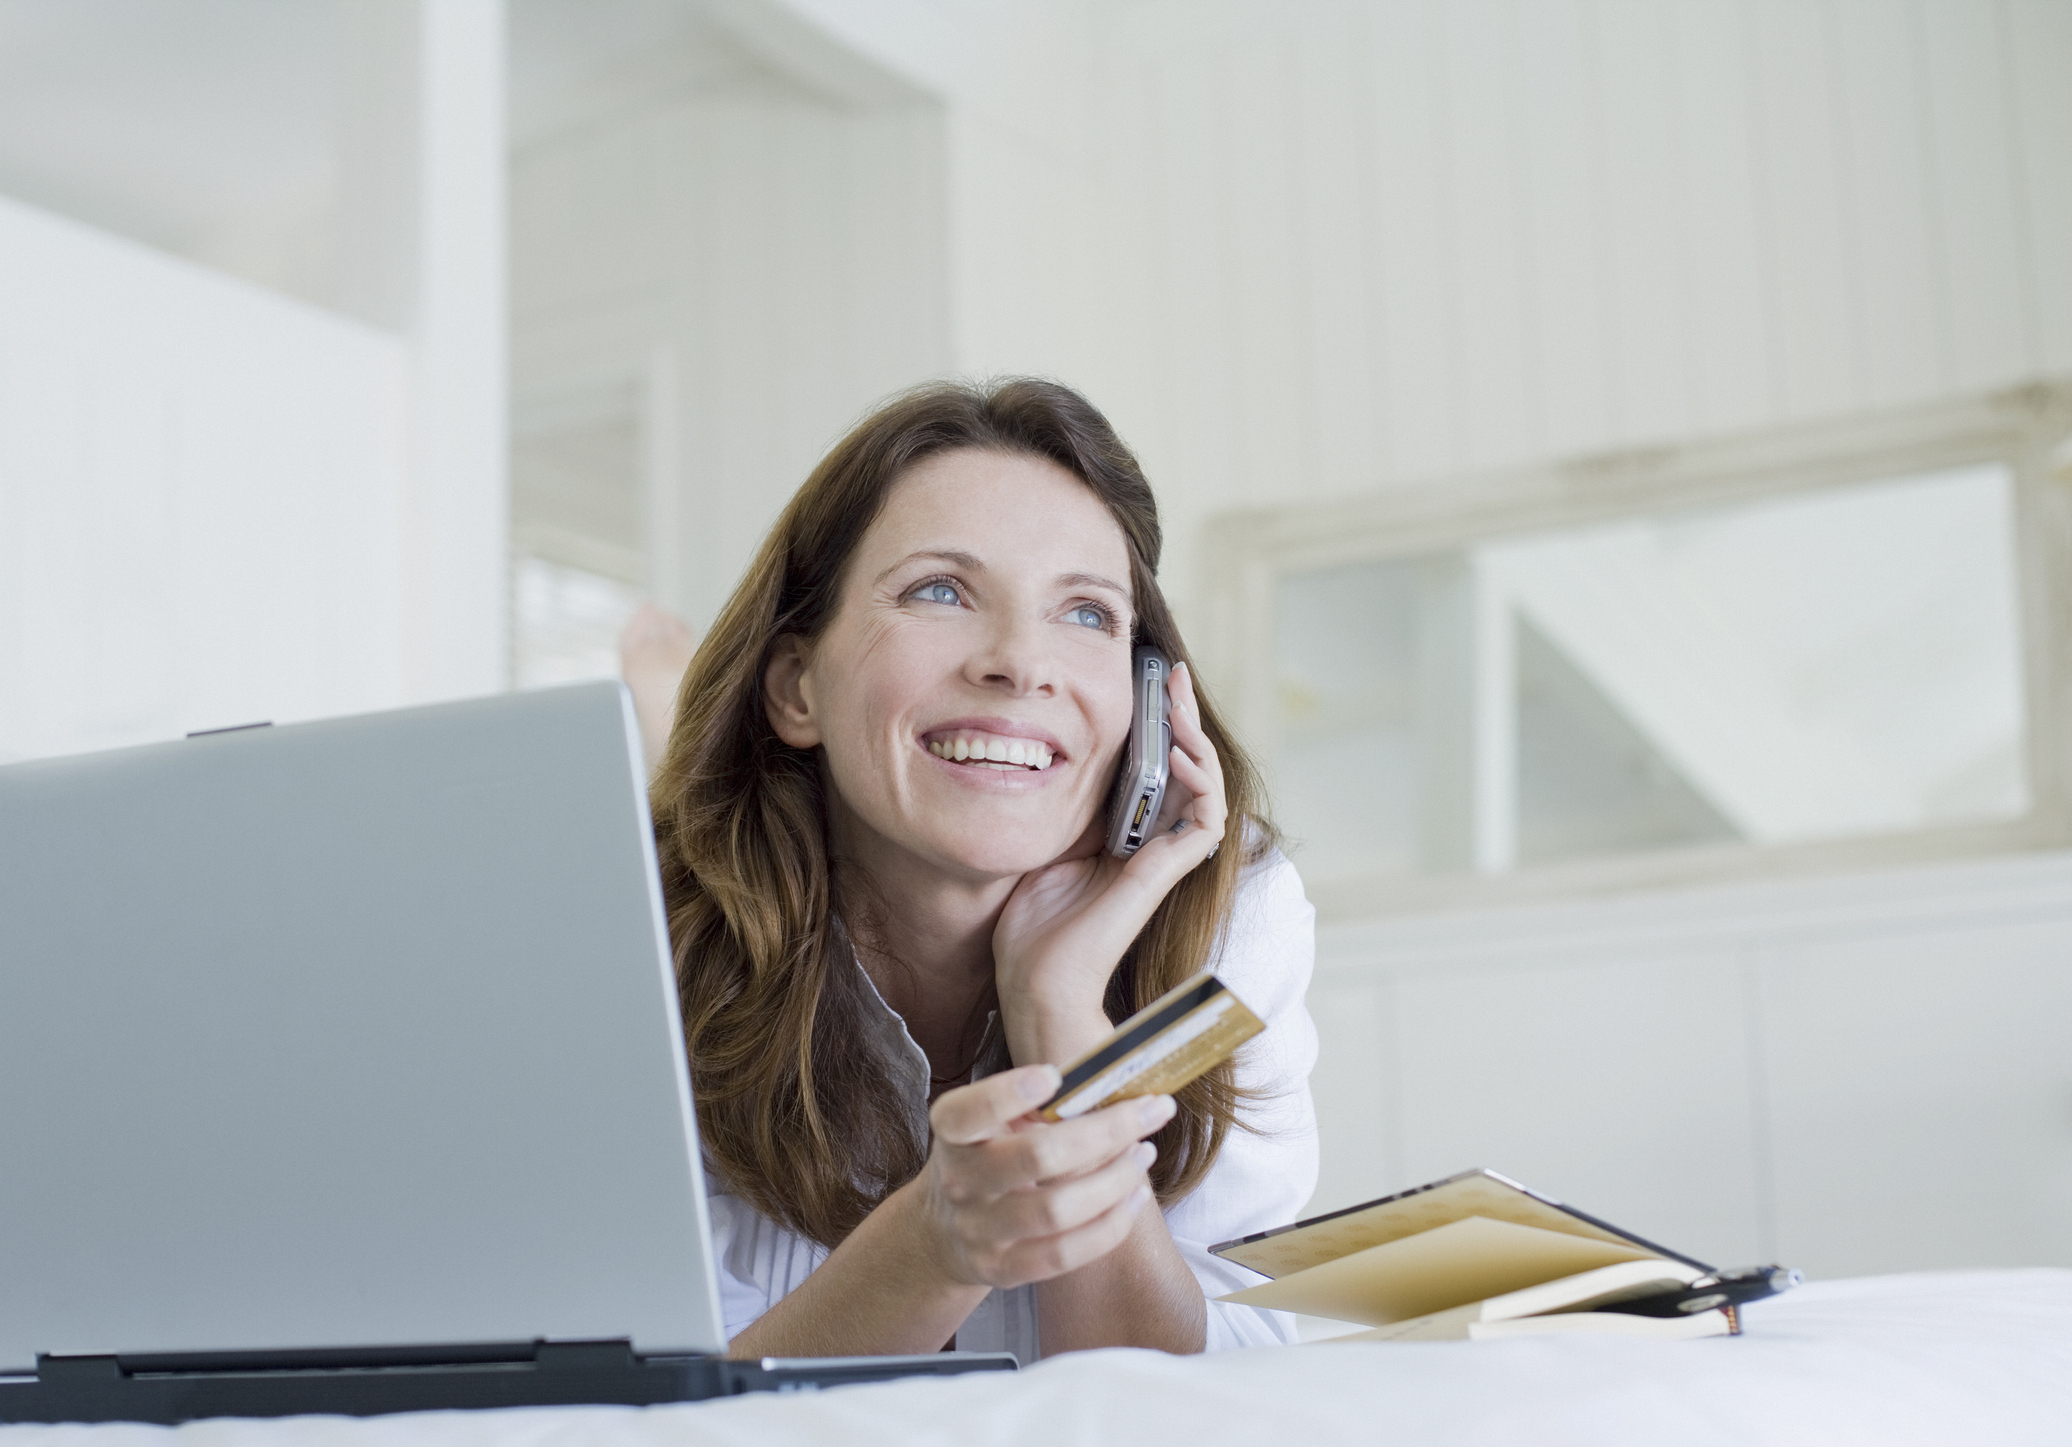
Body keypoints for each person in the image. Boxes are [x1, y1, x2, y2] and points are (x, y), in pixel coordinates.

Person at [641, 378, 1317, 1362]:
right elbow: (660, 1414)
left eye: (1084, 613)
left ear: (1142, 694)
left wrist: (1061, 1012)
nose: (1018, 662)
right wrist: (934, 1242)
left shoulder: (1226, 922)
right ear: (794, 686)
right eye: (939, 591)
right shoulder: (645, 947)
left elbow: (1192, 1414)